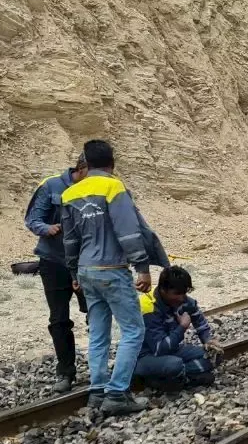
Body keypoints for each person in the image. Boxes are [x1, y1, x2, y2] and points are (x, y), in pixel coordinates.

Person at [63, 139, 170, 416]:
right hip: (111, 270)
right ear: (112, 163)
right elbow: (129, 231)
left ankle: (97, 391)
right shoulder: (114, 186)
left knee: (98, 333)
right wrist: (142, 267)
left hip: (86, 271)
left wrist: (74, 272)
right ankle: (117, 393)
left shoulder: (70, 194)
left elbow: (70, 240)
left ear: (85, 163)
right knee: (134, 330)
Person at [25, 155, 90, 393]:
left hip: (86, 264)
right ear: (81, 169)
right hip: (54, 263)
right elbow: (32, 220)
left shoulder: (96, 188)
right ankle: (65, 373)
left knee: (96, 315)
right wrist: (47, 228)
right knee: (59, 320)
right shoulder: (51, 185)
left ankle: (99, 369)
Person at [135, 266, 222, 391]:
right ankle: (157, 378)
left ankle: (174, 379)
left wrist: (208, 340)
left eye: (184, 293)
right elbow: (160, 348)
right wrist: (182, 327)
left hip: (171, 350)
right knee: (174, 364)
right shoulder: (148, 308)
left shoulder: (183, 300)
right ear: (163, 290)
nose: (182, 298)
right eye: (177, 294)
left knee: (214, 356)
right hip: (147, 356)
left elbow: (199, 320)